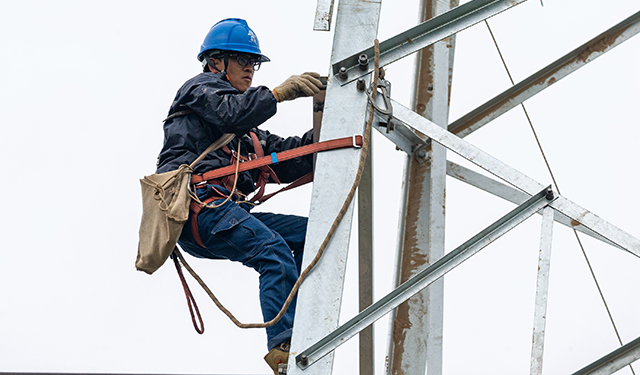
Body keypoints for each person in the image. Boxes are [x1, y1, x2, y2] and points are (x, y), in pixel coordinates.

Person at [155, 18, 323, 374]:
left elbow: (289, 156)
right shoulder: (198, 90)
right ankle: (284, 346)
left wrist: (331, 115)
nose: (250, 68)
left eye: (253, 62)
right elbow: (232, 111)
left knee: (313, 232)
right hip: (201, 209)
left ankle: (302, 323)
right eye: (242, 60)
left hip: (226, 213)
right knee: (274, 252)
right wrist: (280, 93)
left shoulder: (245, 135)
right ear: (216, 62)